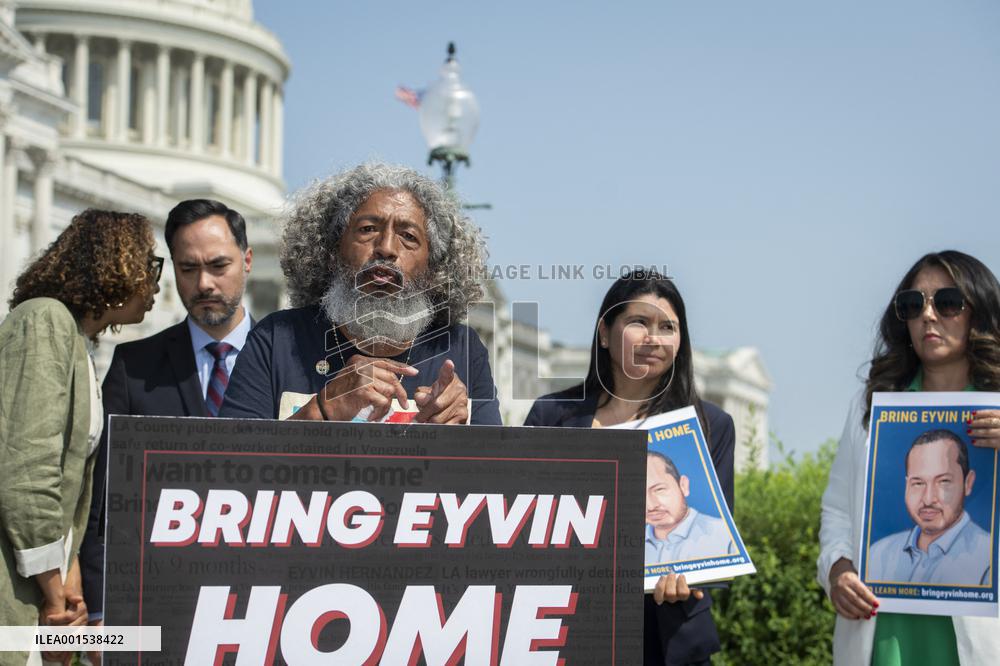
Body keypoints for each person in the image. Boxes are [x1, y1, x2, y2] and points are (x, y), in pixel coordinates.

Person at [524, 269, 736, 666]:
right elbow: (523, 522)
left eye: (668, 327)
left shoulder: (711, 425)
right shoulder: (551, 415)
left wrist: (691, 575)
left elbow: (713, 537)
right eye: (639, 322)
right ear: (604, 332)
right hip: (567, 626)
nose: (653, 338)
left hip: (669, 635)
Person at [78, 199, 254, 641]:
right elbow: (102, 503)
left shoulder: (292, 360)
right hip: (158, 603)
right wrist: (99, 613)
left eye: (218, 265)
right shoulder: (133, 366)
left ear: (247, 261)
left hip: (267, 604)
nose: (204, 283)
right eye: (188, 268)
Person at [818, 250, 1000, 666]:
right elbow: (838, 511)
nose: (929, 316)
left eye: (948, 302)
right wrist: (838, 570)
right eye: (913, 305)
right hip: (883, 636)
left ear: (980, 312)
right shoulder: (872, 406)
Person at [219, 162, 501, 426]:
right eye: (367, 230)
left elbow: (500, 471)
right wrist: (322, 410)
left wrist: (464, 436)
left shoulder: (463, 350)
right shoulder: (276, 340)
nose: (386, 248)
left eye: (409, 236)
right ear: (331, 251)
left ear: (433, 269)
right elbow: (227, 469)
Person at [0, 209, 160, 665]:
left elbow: (73, 491)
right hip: (18, 587)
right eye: (148, 265)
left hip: (43, 587)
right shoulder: (44, 322)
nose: (155, 284)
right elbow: (26, 471)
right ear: (115, 264)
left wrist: (70, 590)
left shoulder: (77, 341)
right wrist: (55, 596)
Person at [866, 429, 990, 586]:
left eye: (944, 481)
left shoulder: (990, 559)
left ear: (968, 483)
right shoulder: (878, 555)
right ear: (907, 486)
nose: (928, 499)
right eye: (918, 483)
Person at [646, 451, 736, 565]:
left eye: (659, 490)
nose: (651, 506)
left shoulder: (724, 535)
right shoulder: (623, 545)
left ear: (683, 485)